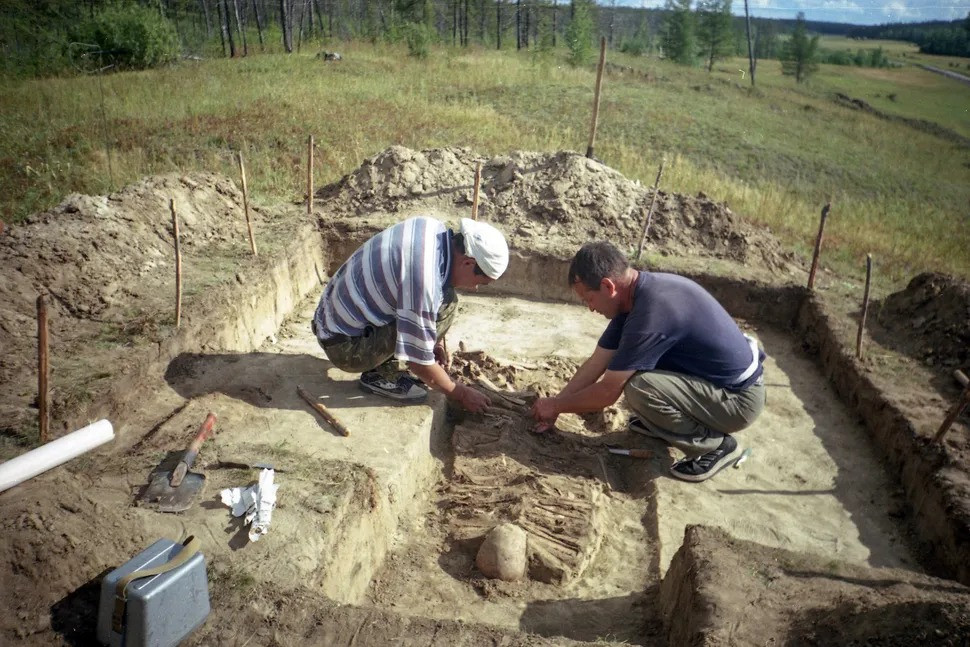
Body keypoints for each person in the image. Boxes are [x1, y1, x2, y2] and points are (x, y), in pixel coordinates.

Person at [530, 241, 766, 482]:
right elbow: (596, 363)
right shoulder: (633, 298)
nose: (590, 308)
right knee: (631, 369)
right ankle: (663, 424)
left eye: (589, 299)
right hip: (713, 384)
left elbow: (607, 393)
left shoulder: (652, 312)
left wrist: (556, 406)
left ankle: (714, 446)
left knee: (640, 388)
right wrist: (557, 403)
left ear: (608, 286)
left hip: (738, 401)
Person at [312, 215, 509, 413]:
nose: (474, 288)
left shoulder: (431, 227)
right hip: (345, 347)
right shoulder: (424, 282)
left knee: (446, 298)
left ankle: (393, 354)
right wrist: (461, 393)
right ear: (468, 263)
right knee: (447, 304)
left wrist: (434, 342)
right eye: (480, 282)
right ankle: (380, 377)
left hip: (328, 317)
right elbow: (419, 364)